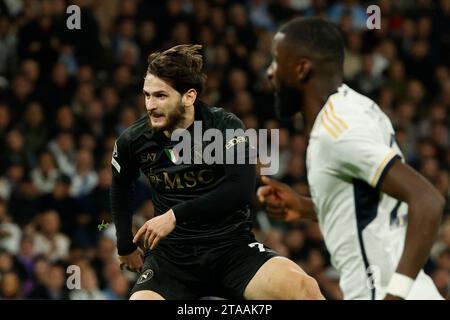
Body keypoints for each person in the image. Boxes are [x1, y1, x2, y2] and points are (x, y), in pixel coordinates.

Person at [110, 44, 323, 300]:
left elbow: (240, 190)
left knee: (305, 289)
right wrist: (124, 244)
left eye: (160, 96)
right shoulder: (133, 139)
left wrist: (175, 215)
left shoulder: (224, 127)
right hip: (172, 260)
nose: (150, 105)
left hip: (231, 250)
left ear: (189, 96)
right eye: (147, 95)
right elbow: (121, 185)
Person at [258, 17, 445, 300]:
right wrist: (306, 207)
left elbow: (428, 200)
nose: (270, 72)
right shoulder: (359, 108)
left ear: (301, 69)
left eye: (275, 60)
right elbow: (370, 207)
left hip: (380, 291)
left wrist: (394, 296)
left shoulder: (336, 133)